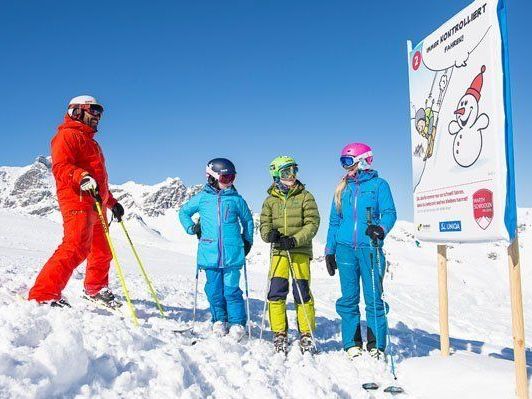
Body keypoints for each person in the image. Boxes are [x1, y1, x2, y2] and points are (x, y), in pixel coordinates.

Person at [28, 95, 125, 309]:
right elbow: (61, 167)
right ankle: (43, 294)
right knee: (75, 247)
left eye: (100, 112)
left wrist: (112, 203)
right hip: (77, 202)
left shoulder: (92, 142)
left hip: (96, 204)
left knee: (102, 250)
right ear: (77, 111)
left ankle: (96, 289)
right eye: (94, 110)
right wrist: (80, 176)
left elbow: (98, 181)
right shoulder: (66, 136)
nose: (98, 116)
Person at [324, 143, 396, 360]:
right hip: (345, 250)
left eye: (349, 162)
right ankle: (351, 343)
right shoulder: (342, 188)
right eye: (343, 162)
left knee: (373, 297)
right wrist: (329, 250)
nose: (346, 168)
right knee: (349, 298)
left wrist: (380, 229)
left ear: (364, 160)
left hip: (370, 249)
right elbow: (334, 221)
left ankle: (376, 345)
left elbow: (390, 213)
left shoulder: (379, 185)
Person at [179, 158, 253, 340]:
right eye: (225, 178)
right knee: (214, 290)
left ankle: (237, 322)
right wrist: (192, 228)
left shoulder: (236, 200)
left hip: (232, 254)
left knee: (231, 290)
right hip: (209, 254)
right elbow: (183, 212)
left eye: (232, 178)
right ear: (211, 177)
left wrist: (247, 241)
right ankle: (219, 319)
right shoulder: (203, 199)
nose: (229, 182)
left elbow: (248, 221)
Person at [260, 156, 320, 354]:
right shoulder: (270, 201)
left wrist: (295, 240)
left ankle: (306, 333)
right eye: (286, 172)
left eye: (294, 170)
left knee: (302, 292)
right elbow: (264, 225)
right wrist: (270, 235)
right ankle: (279, 332)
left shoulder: (305, 196)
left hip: (299, 251)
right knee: (276, 292)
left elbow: (312, 223)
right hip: (278, 252)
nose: (292, 175)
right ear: (276, 175)